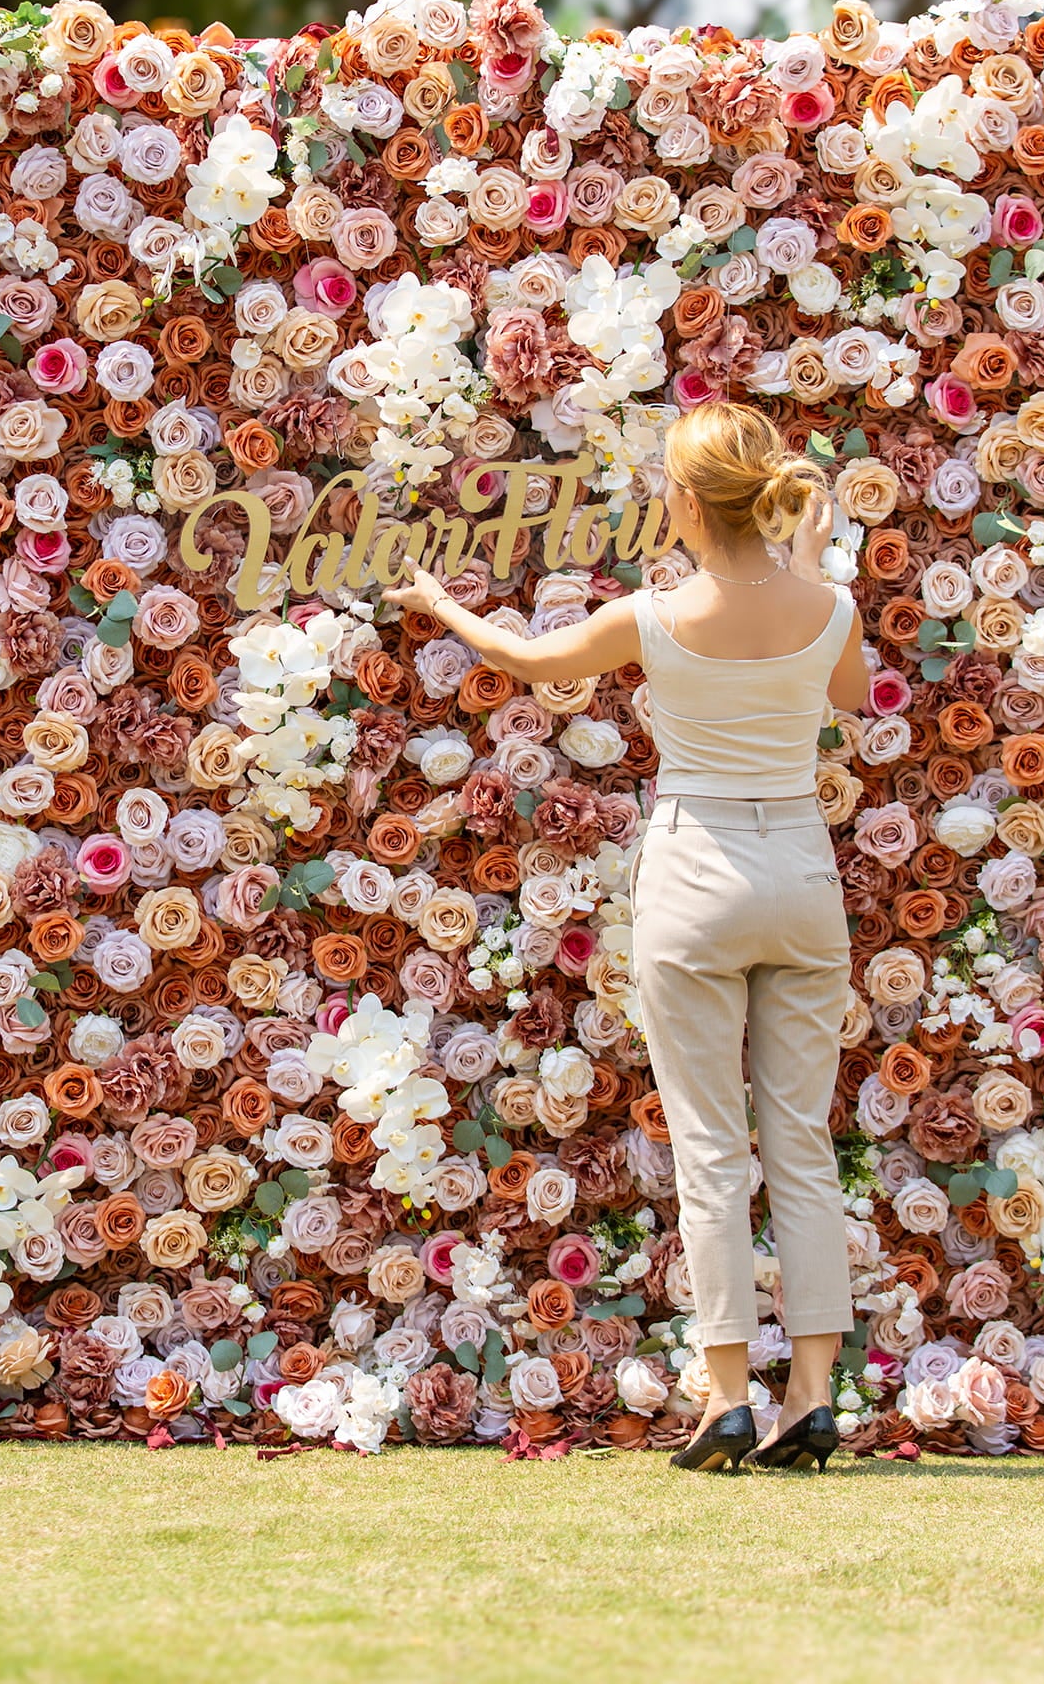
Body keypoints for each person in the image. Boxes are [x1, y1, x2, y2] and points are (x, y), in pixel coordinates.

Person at [383, 401, 871, 1473]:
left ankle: (729, 1396)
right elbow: (854, 695)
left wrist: (435, 603)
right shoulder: (827, 604)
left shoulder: (651, 615)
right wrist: (807, 559)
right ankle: (811, 1394)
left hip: (695, 870)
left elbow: (523, 658)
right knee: (799, 1141)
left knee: (708, 1147)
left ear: (688, 502)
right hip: (796, 866)